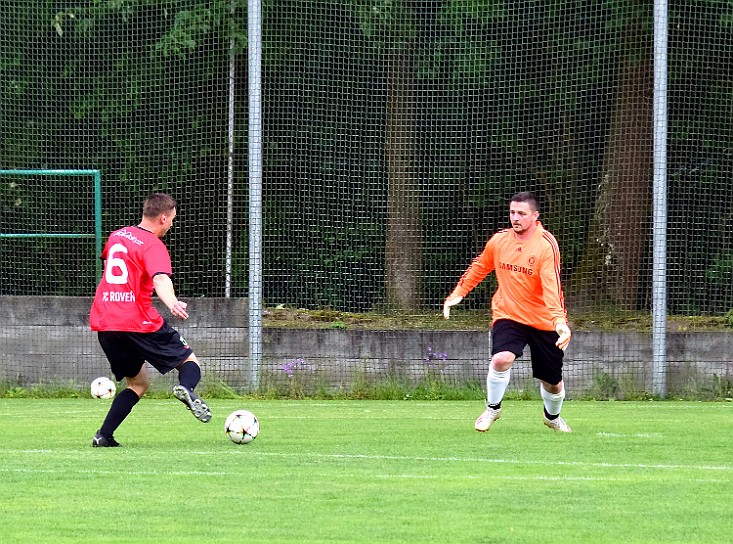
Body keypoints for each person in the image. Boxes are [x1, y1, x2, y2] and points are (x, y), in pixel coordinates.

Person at [443, 191, 573, 433]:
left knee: (553, 383)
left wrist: (559, 321)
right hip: (508, 313)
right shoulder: (499, 240)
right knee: (501, 358)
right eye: (512, 212)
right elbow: (480, 266)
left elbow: (552, 287)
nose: (515, 218)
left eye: (521, 213)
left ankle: (552, 417)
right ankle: (493, 408)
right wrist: (458, 293)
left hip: (544, 321)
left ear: (535, 216)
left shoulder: (546, 245)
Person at [89, 193, 211, 447]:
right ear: (163, 217)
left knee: (138, 383)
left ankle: (104, 436)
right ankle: (186, 389)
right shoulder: (153, 245)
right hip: (137, 321)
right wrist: (172, 302)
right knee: (189, 360)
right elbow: (160, 279)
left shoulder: (117, 236)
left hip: (105, 322)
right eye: (172, 220)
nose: (172, 225)